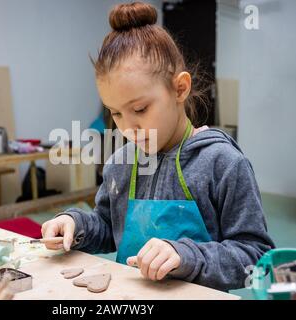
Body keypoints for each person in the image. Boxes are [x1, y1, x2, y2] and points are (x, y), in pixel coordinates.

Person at [41, 2, 275, 291]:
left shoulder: (222, 162)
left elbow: (257, 258)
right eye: (115, 113)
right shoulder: (121, 163)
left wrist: (186, 256)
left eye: (140, 109)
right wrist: (75, 226)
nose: (127, 128)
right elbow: (107, 227)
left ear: (180, 88)